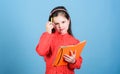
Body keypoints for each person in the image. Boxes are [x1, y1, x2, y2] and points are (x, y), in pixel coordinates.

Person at [36, 6, 82, 74]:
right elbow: (41, 51)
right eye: (57, 23)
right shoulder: (48, 37)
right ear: (52, 24)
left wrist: (73, 61)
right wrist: (48, 33)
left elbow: (78, 64)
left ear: (68, 21)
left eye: (63, 22)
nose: (60, 26)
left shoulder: (74, 41)